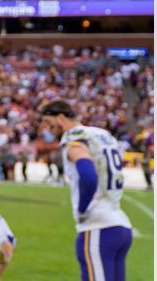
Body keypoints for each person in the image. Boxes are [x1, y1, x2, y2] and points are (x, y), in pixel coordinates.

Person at [39, 100, 134, 281]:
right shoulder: (102, 134)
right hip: (120, 224)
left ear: (60, 118)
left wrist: (82, 208)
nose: (49, 130)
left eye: (50, 124)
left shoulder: (74, 137)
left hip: (98, 226)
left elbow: (89, 176)